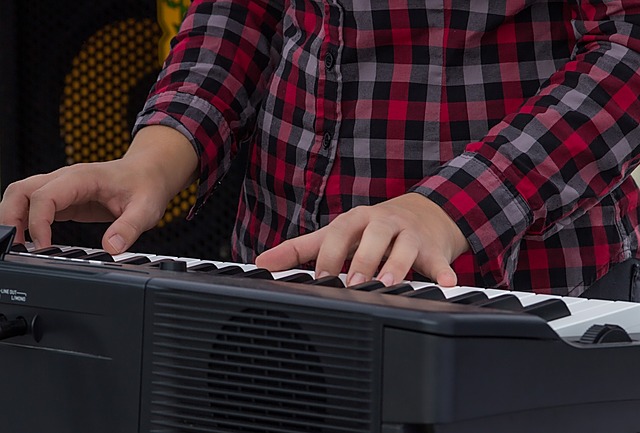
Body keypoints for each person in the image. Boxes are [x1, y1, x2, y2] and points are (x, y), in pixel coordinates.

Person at [1, 0, 640, 297]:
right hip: (275, 282)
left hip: (519, 300)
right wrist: (154, 157)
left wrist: (447, 210)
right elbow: (244, 10)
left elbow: (629, 42)